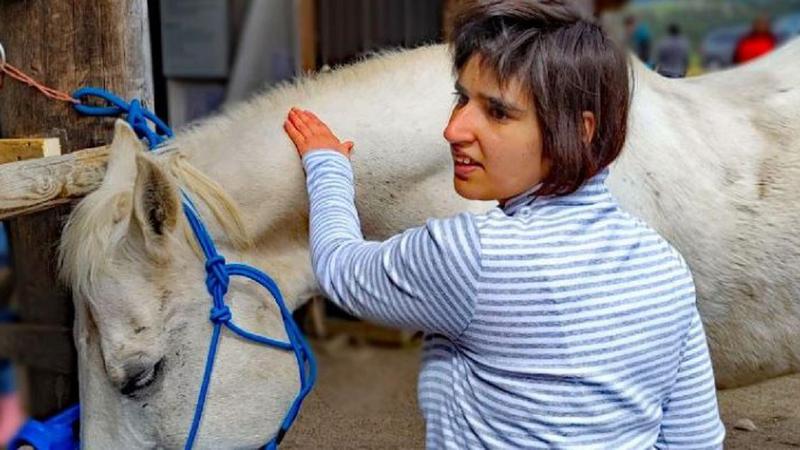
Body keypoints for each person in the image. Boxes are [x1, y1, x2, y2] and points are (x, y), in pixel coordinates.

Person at [283, 0, 725, 447]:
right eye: (462, 99)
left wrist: (328, 167)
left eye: (497, 112)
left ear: (581, 130)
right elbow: (695, 439)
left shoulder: (473, 255)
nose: (454, 130)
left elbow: (340, 268)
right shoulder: (665, 266)